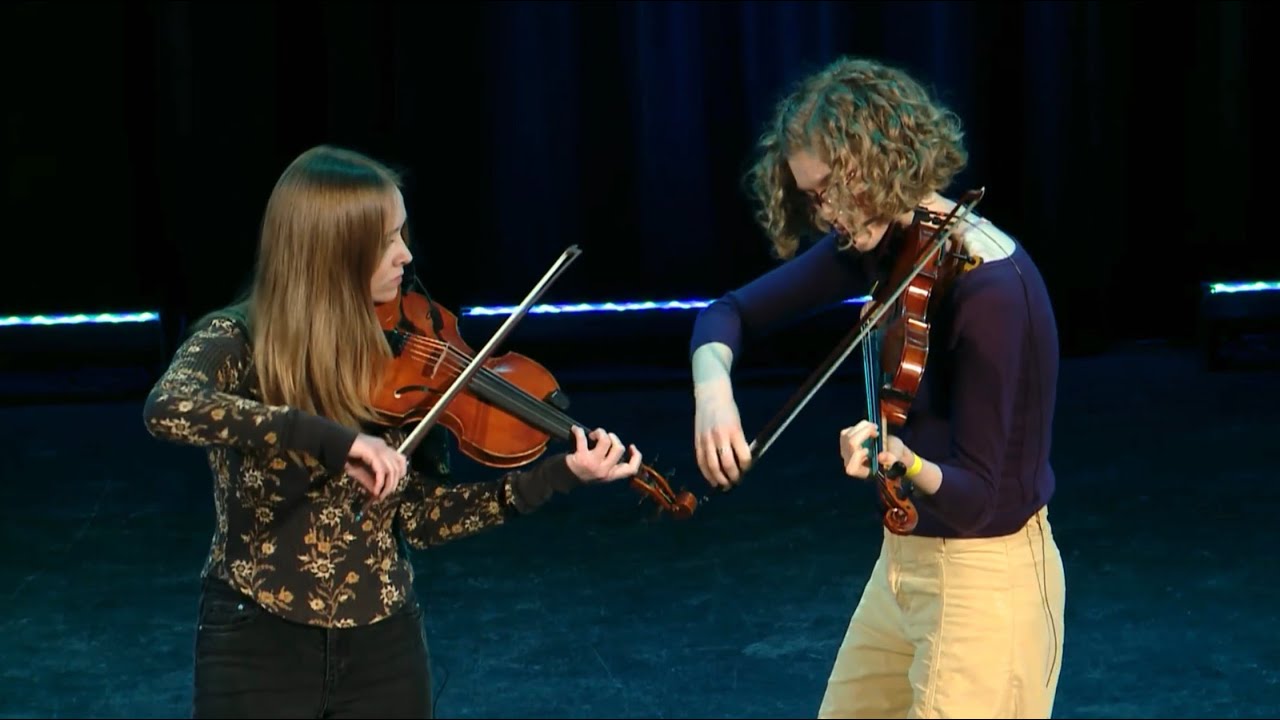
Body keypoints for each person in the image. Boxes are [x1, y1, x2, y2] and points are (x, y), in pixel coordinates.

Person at [142, 144, 643, 719]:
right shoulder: (239, 337)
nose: (406, 255)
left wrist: (556, 476)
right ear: (332, 250)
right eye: (386, 241)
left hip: (385, 646)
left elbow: (422, 519)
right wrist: (336, 440)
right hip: (256, 640)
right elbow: (169, 406)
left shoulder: (411, 348)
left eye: (403, 234)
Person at [688, 56, 1066, 718]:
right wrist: (712, 388)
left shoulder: (991, 289)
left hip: (984, 580)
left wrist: (902, 459)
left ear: (887, 160)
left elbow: (978, 499)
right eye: (812, 196)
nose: (827, 212)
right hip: (903, 568)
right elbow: (729, 314)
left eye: (835, 187)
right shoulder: (879, 242)